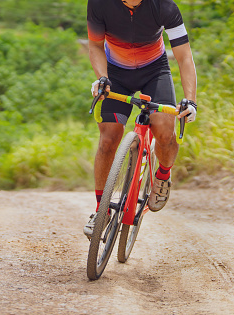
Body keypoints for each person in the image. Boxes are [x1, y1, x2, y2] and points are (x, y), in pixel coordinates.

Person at [83, 0, 198, 237]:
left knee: (165, 132)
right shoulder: (99, 3)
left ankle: (163, 176)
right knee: (108, 140)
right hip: (115, 72)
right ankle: (101, 210)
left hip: (154, 70)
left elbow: (184, 56)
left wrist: (190, 100)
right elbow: (95, 46)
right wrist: (103, 78)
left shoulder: (165, 6)